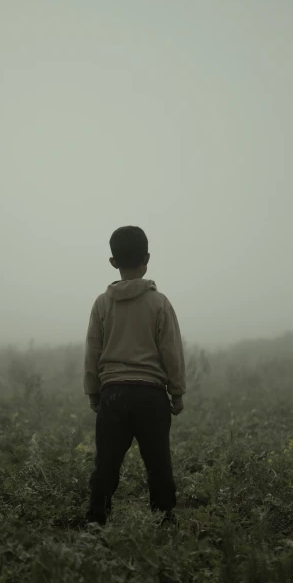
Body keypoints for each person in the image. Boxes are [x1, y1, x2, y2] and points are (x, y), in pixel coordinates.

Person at [83, 225, 186, 526]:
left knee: (106, 463)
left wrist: (93, 391)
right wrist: (177, 392)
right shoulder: (159, 303)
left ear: (114, 262)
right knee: (158, 463)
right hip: (151, 396)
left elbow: (92, 351)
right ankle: (164, 519)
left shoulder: (102, 304)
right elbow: (171, 351)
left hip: (113, 394)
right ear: (147, 258)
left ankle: (96, 519)